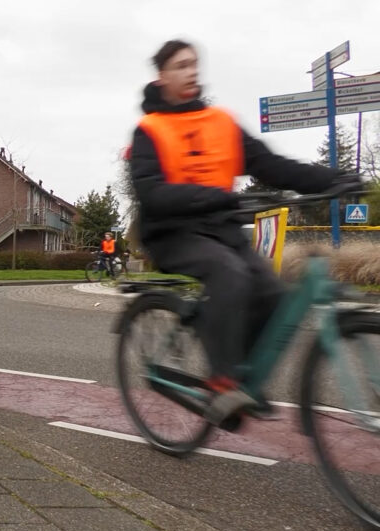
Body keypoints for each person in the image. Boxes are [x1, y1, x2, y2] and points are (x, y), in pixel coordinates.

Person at [129, 40, 363, 424]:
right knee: (230, 275)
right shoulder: (149, 131)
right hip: (173, 233)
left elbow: (271, 165)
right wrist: (213, 198)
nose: (191, 72)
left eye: (194, 64)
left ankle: (244, 378)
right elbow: (151, 192)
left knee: (272, 293)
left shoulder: (220, 123)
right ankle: (222, 382)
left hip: (221, 230)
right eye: (181, 66)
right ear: (162, 76)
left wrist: (333, 179)